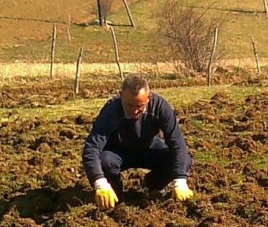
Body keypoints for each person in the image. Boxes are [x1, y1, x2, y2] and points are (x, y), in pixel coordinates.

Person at [82, 74, 194, 209]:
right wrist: (99, 182)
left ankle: (152, 184)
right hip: (118, 151)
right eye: (129, 105)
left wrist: (180, 180)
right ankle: (114, 193)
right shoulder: (111, 110)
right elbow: (92, 146)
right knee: (104, 161)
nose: (134, 111)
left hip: (148, 148)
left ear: (149, 98)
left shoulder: (160, 107)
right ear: (121, 95)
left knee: (183, 160)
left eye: (139, 106)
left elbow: (177, 143)